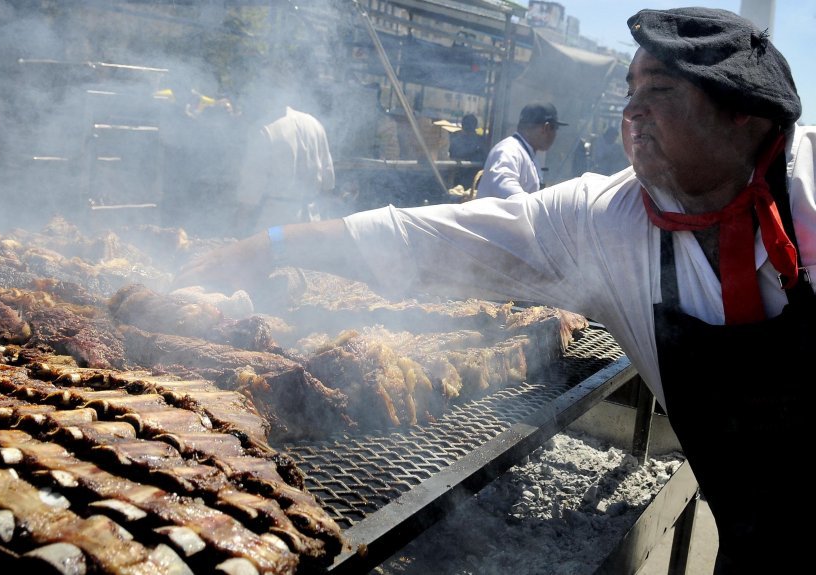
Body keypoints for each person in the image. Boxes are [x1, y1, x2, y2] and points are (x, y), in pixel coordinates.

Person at [175, 7, 814, 573]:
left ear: (744, 117)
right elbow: (428, 237)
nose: (631, 111)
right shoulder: (603, 219)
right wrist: (275, 243)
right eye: (631, 90)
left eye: (661, 91)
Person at [234, 99, 336, 238]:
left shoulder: (264, 130)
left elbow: (251, 193)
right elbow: (328, 183)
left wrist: (238, 228)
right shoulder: (314, 124)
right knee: (307, 259)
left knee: (277, 259)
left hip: (276, 225)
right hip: (312, 221)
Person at [476, 102, 567, 199]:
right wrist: (534, 207)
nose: (555, 135)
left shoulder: (526, 153)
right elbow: (504, 186)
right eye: (555, 129)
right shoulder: (508, 150)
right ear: (546, 128)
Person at [448, 113, 487, 189]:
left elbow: (484, 158)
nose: (468, 127)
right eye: (466, 124)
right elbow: (452, 154)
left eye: (470, 124)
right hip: (458, 176)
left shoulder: (481, 141)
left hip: (474, 177)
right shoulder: (455, 138)